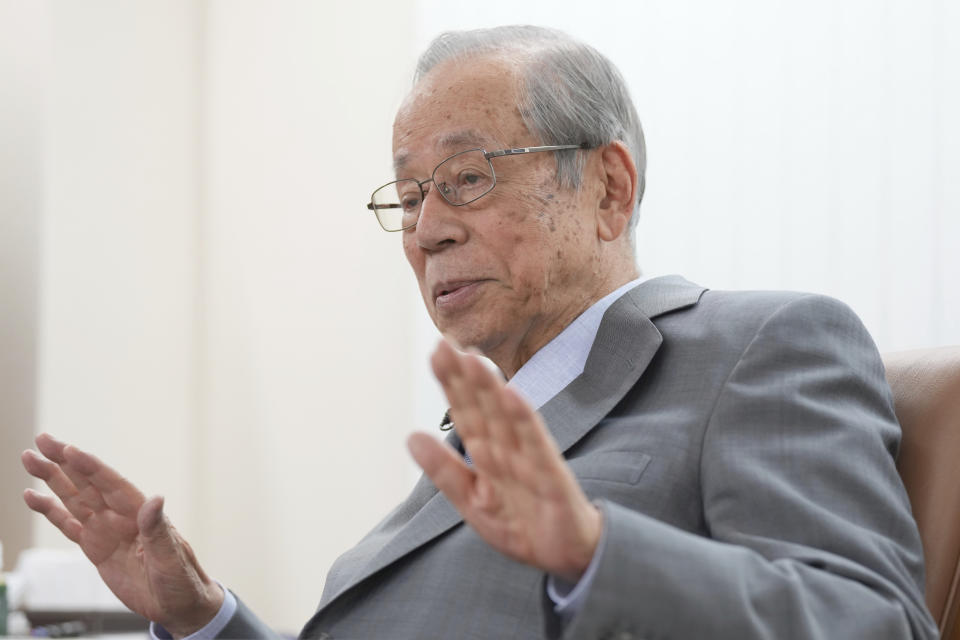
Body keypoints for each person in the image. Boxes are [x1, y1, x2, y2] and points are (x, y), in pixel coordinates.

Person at [21, 25, 937, 639]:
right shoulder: (481, 434)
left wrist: (595, 553)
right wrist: (204, 619)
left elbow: (872, 622)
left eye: (466, 177)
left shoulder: (753, 346)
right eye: (410, 196)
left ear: (608, 189)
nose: (427, 231)